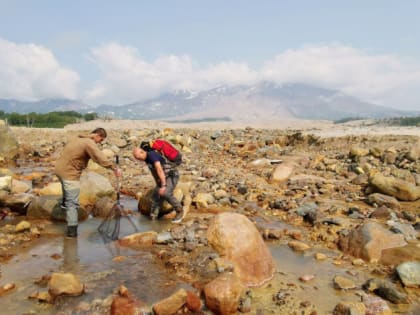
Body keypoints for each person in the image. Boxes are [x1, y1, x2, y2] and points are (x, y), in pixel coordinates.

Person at [54, 128, 120, 237]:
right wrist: (114, 168)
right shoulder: (89, 143)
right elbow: (99, 157)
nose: (100, 143)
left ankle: (62, 218)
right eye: (101, 140)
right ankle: (72, 232)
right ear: (97, 135)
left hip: (59, 170)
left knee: (66, 200)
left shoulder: (77, 137)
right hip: (70, 174)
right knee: (72, 203)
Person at [132, 145, 185, 223]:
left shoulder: (152, 155)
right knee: (156, 196)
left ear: (142, 152)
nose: (138, 159)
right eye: (137, 158)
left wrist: (163, 185)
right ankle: (153, 218)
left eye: (138, 157)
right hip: (163, 178)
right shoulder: (146, 159)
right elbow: (155, 172)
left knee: (166, 193)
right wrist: (158, 183)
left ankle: (179, 210)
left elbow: (159, 169)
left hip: (172, 176)